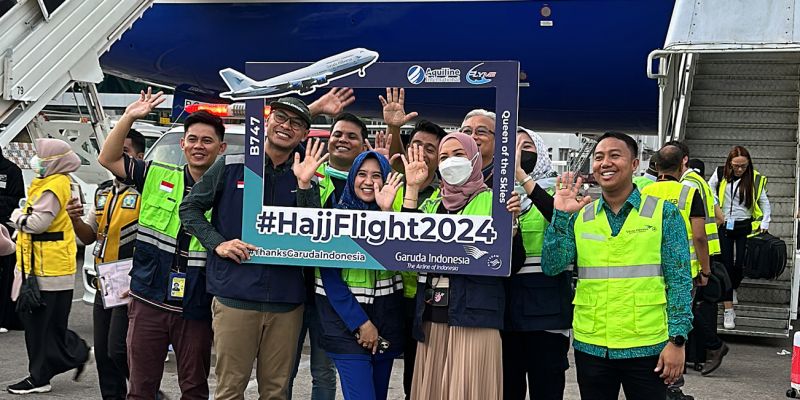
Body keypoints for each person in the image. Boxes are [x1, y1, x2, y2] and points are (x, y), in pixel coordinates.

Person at [180, 92, 352, 400]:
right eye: (281, 118)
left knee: (276, 392)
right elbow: (189, 209)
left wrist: (304, 185)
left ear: (304, 134)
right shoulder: (231, 165)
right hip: (235, 298)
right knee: (229, 391)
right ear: (267, 122)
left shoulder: (309, 177)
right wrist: (218, 244)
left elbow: (313, 237)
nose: (286, 126)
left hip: (286, 303)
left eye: (296, 123)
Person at [542, 132, 693, 400]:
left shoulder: (664, 213)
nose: (605, 163)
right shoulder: (581, 215)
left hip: (647, 345)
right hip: (592, 346)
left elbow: (680, 279)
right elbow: (552, 266)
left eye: (615, 155)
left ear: (634, 164)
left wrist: (677, 341)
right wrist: (561, 215)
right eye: (599, 157)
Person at [98, 88, 225, 400]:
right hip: (148, 300)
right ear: (182, 144)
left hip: (196, 305)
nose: (198, 146)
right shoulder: (155, 175)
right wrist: (129, 117)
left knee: (194, 389)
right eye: (192, 139)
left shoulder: (230, 191)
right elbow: (108, 158)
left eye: (207, 141)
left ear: (221, 148)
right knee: (141, 389)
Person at [404, 132, 524, 400]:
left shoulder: (496, 201)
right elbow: (407, 251)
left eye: (458, 154)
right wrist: (411, 188)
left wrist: (513, 225)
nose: (450, 162)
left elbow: (513, 263)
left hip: (476, 316)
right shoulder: (432, 205)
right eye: (444, 157)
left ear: (474, 158)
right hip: (433, 316)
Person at [314, 150, 405, 400]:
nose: (368, 181)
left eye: (376, 175)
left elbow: (401, 259)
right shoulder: (334, 216)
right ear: (352, 176)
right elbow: (330, 279)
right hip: (344, 326)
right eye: (362, 174)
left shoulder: (396, 216)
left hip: (386, 324)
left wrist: (387, 214)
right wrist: (361, 324)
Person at [7, 138, 91, 395]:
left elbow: (37, 224)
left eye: (42, 158)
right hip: (45, 266)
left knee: (39, 326)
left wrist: (16, 216)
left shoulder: (54, 187)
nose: (37, 162)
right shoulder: (55, 182)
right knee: (47, 325)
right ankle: (76, 353)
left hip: (47, 269)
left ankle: (41, 376)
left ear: (55, 162)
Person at [68, 129, 146, 400]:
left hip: (131, 282)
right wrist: (75, 219)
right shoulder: (103, 191)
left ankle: (149, 393)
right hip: (105, 282)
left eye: (124, 152)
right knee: (102, 354)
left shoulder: (147, 190)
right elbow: (89, 235)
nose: (117, 157)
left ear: (139, 158)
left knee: (118, 350)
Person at [503, 128, 572, 400]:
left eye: (527, 146)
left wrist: (522, 176)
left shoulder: (559, 190)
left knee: (547, 389)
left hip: (547, 314)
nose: (519, 152)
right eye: (514, 146)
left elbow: (558, 216)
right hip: (508, 312)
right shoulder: (498, 192)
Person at [641, 145, 712, 400]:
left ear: (656, 166)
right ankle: (672, 387)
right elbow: (700, 236)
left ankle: (651, 379)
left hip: (649, 270)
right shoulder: (689, 193)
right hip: (683, 272)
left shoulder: (643, 192)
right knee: (677, 329)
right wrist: (705, 269)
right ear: (683, 164)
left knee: (653, 326)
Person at [664, 142, 728, 376]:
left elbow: (694, 231)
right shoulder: (700, 182)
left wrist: (704, 266)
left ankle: (712, 347)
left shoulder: (687, 186)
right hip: (702, 254)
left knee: (685, 311)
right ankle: (711, 347)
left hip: (690, 257)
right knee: (694, 308)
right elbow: (720, 217)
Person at [708, 145, 770, 330]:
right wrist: (717, 208)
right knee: (726, 264)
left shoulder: (755, 178)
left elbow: (764, 201)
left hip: (745, 225)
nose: (740, 169)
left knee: (741, 262)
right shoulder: (720, 173)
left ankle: (734, 286)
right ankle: (728, 308)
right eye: (736, 165)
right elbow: (709, 190)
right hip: (724, 224)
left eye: (743, 165)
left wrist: (765, 221)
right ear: (729, 163)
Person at [0, 146, 24, 332]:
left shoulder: (11, 171)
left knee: (5, 276)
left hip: (5, 231)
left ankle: (5, 318)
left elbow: (17, 201)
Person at [459, 109, 496, 186]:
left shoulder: (505, 177)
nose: (472, 137)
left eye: (481, 131)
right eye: (467, 131)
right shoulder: (450, 172)